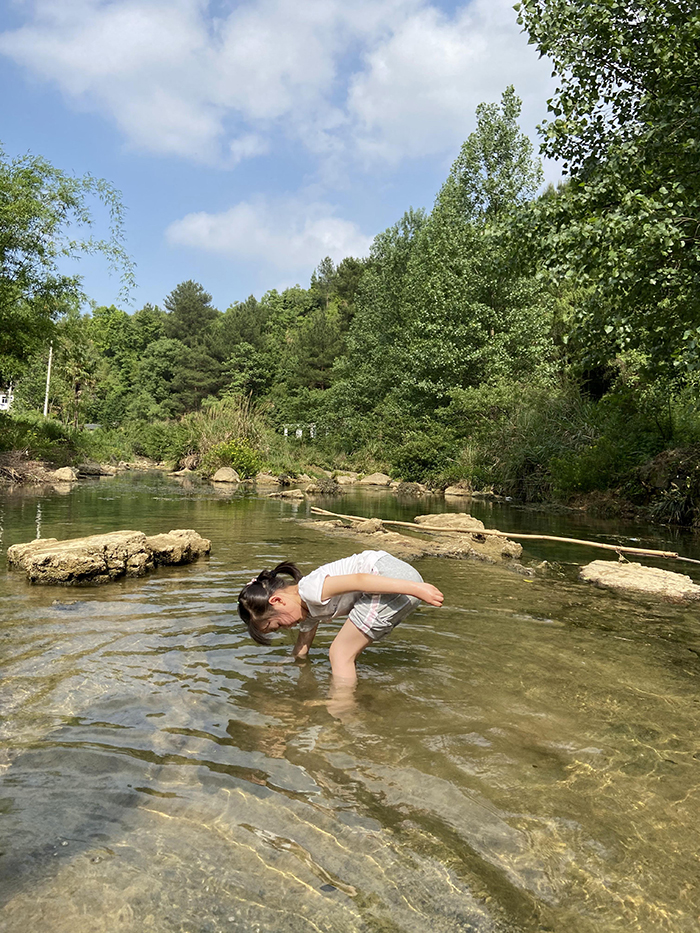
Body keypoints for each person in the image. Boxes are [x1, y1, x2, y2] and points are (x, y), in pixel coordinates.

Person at [238, 549, 444, 683]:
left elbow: (361, 580)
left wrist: (416, 588)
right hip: (395, 580)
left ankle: (342, 711)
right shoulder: (306, 611)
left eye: (277, 625)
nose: (286, 628)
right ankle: (347, 695)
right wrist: (288, 663)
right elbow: (302, 646)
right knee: (345, 651)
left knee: (339, 654)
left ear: (278, 601)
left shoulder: (310, 589)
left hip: (391, 580)